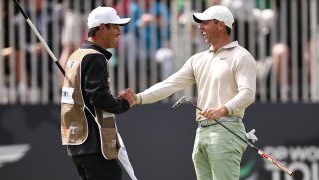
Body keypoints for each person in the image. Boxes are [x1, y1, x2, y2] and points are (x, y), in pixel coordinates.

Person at [127, 5, 257, 180]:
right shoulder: (198, 59)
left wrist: (222, 109)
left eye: (205, 22)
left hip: (227, 131)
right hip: (201, 132)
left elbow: (248, 93)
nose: (200, 27)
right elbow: (169, 85)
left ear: (220, 25)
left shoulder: (241, 56)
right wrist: (139, 98)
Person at [60, 6, 137, 180]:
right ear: (102, 27)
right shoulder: (94, 57)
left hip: (78, 145)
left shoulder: (76, 55)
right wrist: (125, 103)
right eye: (115, 27)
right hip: (94, 145)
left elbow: (86, 96)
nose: (119, 32)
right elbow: (98, 97)